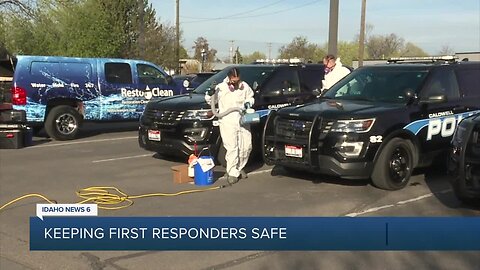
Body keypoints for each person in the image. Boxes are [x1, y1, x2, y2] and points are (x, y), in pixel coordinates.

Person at [205, 68, 255, 184]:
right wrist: (210, 93)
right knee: (232, 147)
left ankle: (239, 167)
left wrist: (248, 103)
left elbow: (250, 97)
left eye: (237, 80)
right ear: (229, 78)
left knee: (246, 146)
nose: (235, 83)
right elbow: (210, 100)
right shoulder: (221, 88)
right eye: (233, 80)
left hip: (242, 119)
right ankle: (232, 172)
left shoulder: (244, 86)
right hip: (227, 120)